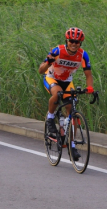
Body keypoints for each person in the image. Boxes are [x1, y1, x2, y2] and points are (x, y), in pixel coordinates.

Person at [38, 27, 93, 161]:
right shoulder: (57, 51)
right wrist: (49, 61)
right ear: (67, 40)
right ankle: (50, 118)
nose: (74, 44)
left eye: (77, 42)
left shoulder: (83, 55)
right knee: (57, 94)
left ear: (81, 43)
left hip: (67, 81)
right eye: (71, 41)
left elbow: (88, 74)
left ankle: (72, 144)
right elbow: (41, 70)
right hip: (51, 77)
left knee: (72, 111)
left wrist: (90, 88)